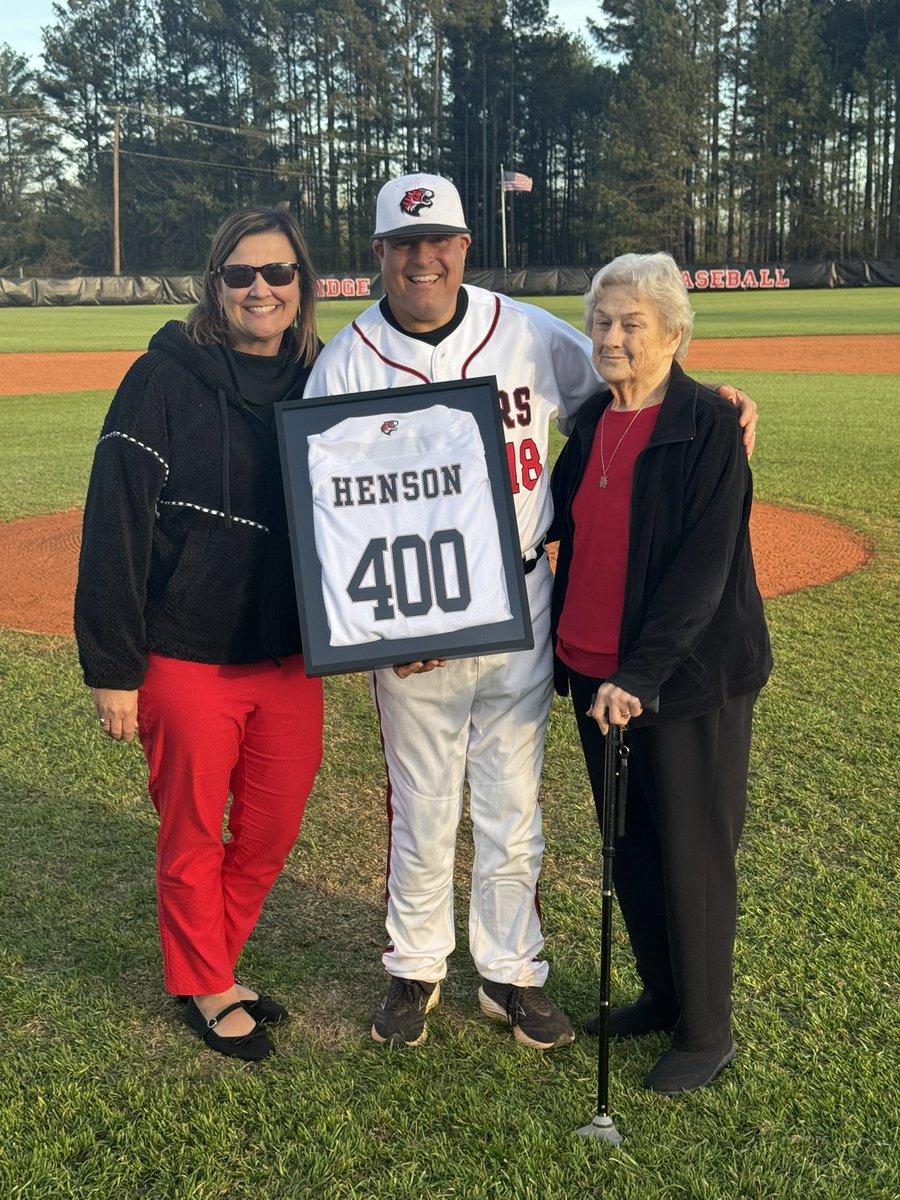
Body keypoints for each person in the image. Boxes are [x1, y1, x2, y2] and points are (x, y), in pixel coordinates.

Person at [305, 174, 759, 1052]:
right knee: (423, 797)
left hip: (518, 598)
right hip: (410, 618)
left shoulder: (523, 330)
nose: (422, 257)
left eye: (438, 240)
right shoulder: (347, 359)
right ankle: (416, 966)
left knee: (514, 801)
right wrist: (386, 626)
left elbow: (631, 389)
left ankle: (513, 973)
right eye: (404, 245)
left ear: (464, 247)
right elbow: (323, 506)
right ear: (380, 257)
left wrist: (718, 405)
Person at [74, 207, 324, 1061]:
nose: (261, 288)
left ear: (303, 286)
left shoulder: (321, 379)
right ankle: (208, 985)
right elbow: (115, 520)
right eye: (242, 274)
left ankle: (213, 962)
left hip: (292, 652)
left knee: (270, 829)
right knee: (192, 832)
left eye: (279, 273)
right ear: (215, 286)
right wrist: (113, 664)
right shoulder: (162, 378)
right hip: (185, 651)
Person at [548, 252, 772, 1094]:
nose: (611, 337)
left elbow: (701, 571)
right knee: (629, 847)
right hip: (594, 679)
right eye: (601, 321)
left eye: (631, 324)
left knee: (692, 851)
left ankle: (707, 1029)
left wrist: (639, 673)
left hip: (680, 686)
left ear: (675, 334)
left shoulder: (709, 426)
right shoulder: (590, 421)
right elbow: (553, 529)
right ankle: (663, 992)